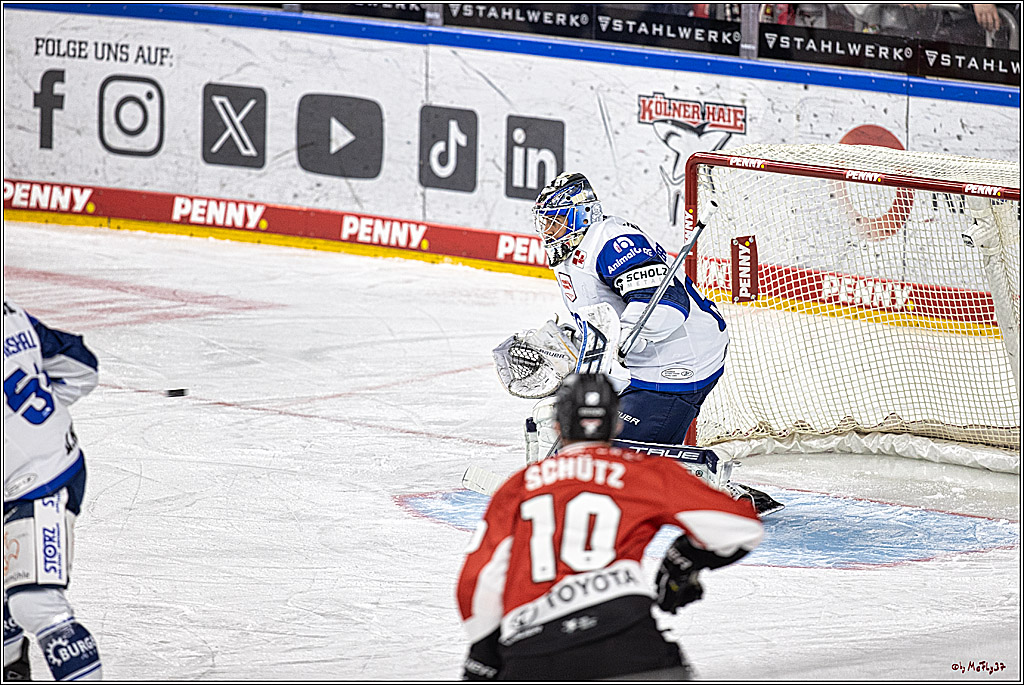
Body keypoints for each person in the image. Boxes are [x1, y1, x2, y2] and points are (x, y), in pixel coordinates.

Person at [456, 373, 764, 681]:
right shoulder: (643, 472)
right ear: (616, 424)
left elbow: (478, 580)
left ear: (557, 426)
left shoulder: (519, 487)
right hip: (629, 640)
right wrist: (681, 559)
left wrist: (483, 653)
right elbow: (741, 528)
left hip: (534, 651)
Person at [526, 171, 782, 516]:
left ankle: (717, 489)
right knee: (583, 438)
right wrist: (575, 341)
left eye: (556, 221)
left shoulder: (614, 242)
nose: (549, 230)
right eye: (545, 222)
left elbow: (666, 306)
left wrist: (617, 345)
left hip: (679, 360)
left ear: (582, 215)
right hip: (641, 360)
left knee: (616, 472)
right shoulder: (573, 251)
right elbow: (603, 315)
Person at [3, 300, 103, 681]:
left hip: (41, 480)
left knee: (35, 603)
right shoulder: (12, 315)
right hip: (44, 462)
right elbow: (82, 369)